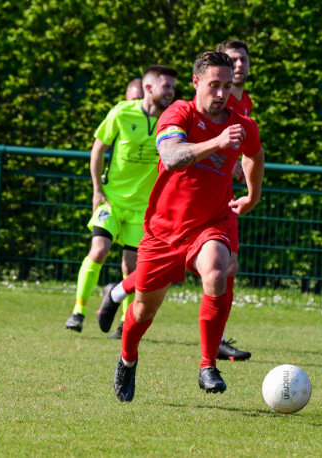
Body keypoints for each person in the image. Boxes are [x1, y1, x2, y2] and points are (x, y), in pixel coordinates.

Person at [112, 50, 265, 402]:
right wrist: (217, 143)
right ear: (196, 82)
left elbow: (254, 154)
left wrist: (252, 196)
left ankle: (207, 365)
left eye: (226, 86)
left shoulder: (241, 123)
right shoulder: (179, 112)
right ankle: (127, 358)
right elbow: (171, 156)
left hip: (211, 221)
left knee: (217, 272)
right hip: (164, 229)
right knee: (144, 309)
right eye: (214, 85)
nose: (221, 93)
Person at [64, 65, 178, 333]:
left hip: (144, 208)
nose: (171, 92)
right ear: (148, 88)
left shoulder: (173, 120)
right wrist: (97, 190)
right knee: (99, 250)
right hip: (112, 201)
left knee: (132, 268)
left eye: (173, 87)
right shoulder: (121, 112)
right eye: (166, 86)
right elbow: (97, 149)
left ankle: (125, 322)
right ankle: (78, 312)